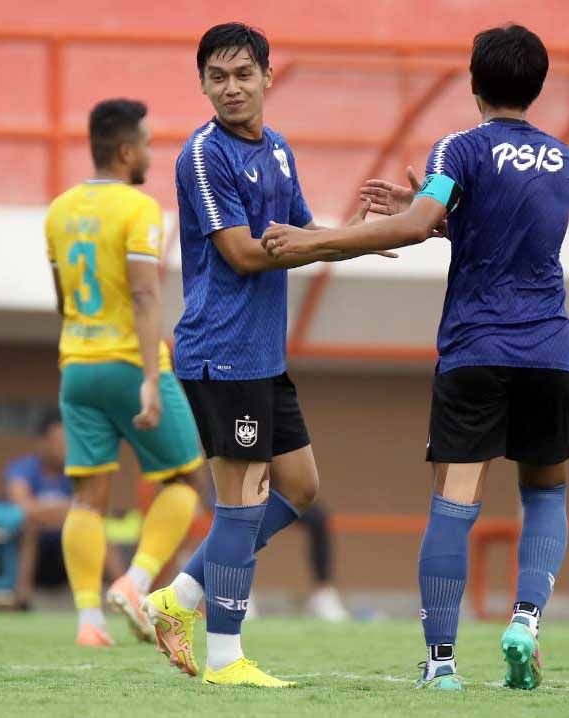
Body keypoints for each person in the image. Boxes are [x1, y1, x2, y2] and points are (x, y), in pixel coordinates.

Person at [263, 24, 569, 691]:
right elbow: (502, 228)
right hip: (549, 348)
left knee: (454, 502)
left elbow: (411, 229)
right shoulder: (563, 158)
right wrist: (436, 213)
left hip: (477, 348)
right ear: (538, 85)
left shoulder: (459, 147)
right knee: (545, 491)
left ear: (473, 82)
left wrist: (317, 241)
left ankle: (441, 665)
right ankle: (526, 622)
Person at [141, 23, 390, 688]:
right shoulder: (202, 155)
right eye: (217, 77)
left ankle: (178, 598)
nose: (230, 88)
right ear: (202, 85)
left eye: (242, 75)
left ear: (267, 78)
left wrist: (360, 237)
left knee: (300, 488)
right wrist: (332, 244)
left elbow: (302, 231)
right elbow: (246, 252)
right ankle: (225, 659)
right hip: (221, 354)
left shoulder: (278, 150)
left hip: (263, 355)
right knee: (242, 503)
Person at [45, 98, 208, 648]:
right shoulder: (140, 211)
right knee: (184, 479)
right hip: (128, 363)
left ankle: (88, 622)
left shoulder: (58, 211)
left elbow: (64, 299)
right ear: (124, 150)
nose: (150, 154)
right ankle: (137, 583)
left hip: (78, 366)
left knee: (87, 497)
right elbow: (143, 293)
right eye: (145, 144)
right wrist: (147, 376)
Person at [6, 410, 73, 604]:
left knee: (96, 526)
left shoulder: (76, 471)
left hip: (65, 546)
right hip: (30, 546)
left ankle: (124, 593)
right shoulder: (22, 468)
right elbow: (22, 508)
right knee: (30, 527)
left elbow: (90, 507)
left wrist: (42, 512)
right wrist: (63, 511)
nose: (65, 448)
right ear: (43, 442)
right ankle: (21, 598)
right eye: (60, 442)